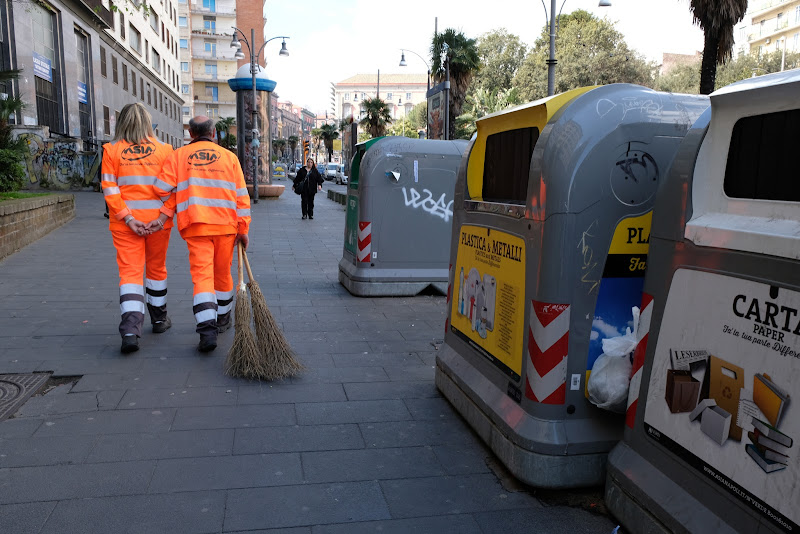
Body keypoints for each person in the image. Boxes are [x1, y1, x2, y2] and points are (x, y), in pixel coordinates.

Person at [152, 116, 250, 352]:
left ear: (191, 134)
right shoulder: (230, 158)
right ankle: (223, 319)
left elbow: (160, 188)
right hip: (226, 226)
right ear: (213, 133)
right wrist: (243, 229)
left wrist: (177, 200)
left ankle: (207, 331)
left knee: (202, 277)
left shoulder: (178, 156)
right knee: (223, 275)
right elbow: (242, 198)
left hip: (195, 226)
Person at [101, 102, 174, 354]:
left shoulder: (111, 151)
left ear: (122, 123)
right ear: (148, 123)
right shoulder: (165, 151)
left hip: (125, 225)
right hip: (158, 224)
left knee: (130, 274)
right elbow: (173, 190)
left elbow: (110, 189)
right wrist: (163, 217)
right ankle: (159, 320)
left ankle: (131, 330)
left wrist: (128, 218)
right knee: (156, 269)